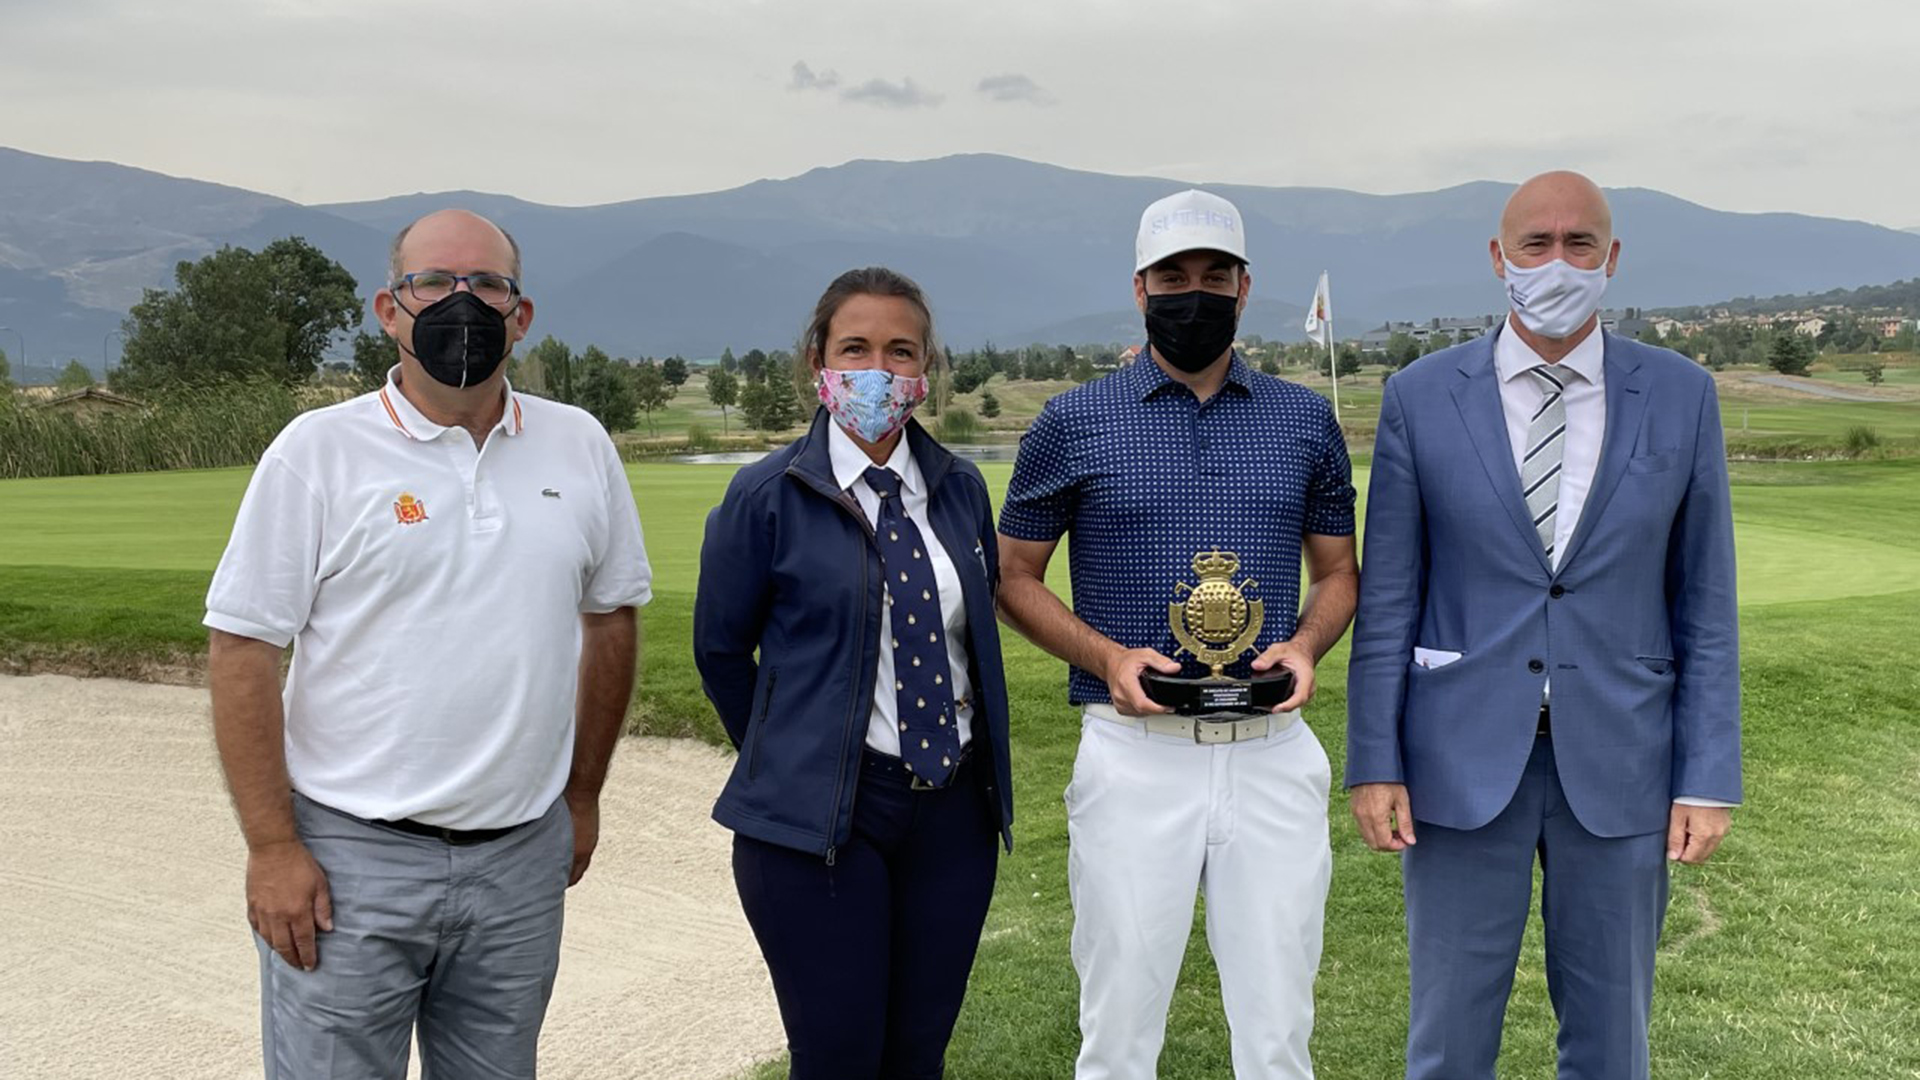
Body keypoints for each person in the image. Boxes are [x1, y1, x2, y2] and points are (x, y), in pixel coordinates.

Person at [205, 208, 652, 1079]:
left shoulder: (581, 444)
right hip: (348, 862)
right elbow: (243, 649)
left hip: (519, 859)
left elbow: (613, 619)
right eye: (434, 283)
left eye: (487, 284)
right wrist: (271, 847)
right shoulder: (317, 452)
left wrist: (583, 794)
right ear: (388, 308)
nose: (463, 303)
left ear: (521, 316)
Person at [1345, 171, 1741, 1080]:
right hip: (1458, 763)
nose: (1557, 262)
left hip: (1623, 764)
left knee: (1611, 1044)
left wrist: (1709, 775)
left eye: (1579, 244)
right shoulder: (1420, 396)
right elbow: (1391, 603)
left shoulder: (1681, 396)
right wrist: (1376, 761)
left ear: (1611, 258)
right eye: (1536, 244)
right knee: (1448, 1041)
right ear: (1498, 258)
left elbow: (1706, 607)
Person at [996, 190, 1359, 1080]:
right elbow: (1012, 578)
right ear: (1140, 289)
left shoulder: (1304, 419)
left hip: (1272, 748)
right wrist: (1109, 658)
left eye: (1212, 276)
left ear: (1243, 289)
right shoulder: (1072, 421)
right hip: (1133, 753)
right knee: (1118, 1029)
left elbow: (1340, 574)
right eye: (1173, 277)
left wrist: (1306, 648)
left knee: (1278, 1033)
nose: (1191, 293)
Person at [693, 267, 1014, 1080]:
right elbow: (721, 653)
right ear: (816, 360)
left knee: (916, 1056)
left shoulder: (958, 489)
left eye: (901, 352)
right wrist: (792, 754)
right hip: (821, 823)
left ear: (927, 368)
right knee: (838, 1058)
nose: (879, 370)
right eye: (856, 348)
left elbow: (970, 638)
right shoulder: (766, 496)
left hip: (952, 818)